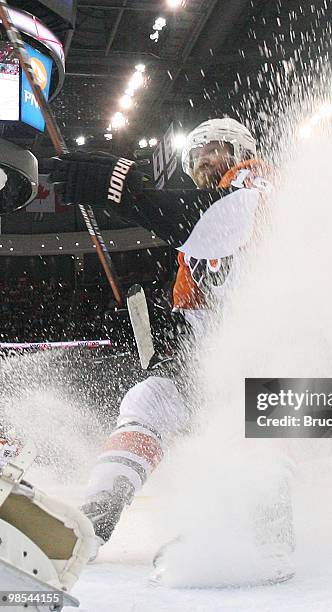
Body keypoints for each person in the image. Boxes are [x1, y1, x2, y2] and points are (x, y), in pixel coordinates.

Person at [50, 118, 295, 584]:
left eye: (216, 147)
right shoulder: (196, 243)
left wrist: (128, 189)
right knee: (147, 401)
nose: (204, 157)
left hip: (275, 332)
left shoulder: (254, 177)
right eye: (196, 153)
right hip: (219, 344)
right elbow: (199, 297)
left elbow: (221, 217)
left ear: (240, 150)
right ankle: (92, 521)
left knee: (252, 412)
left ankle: (266, 535)